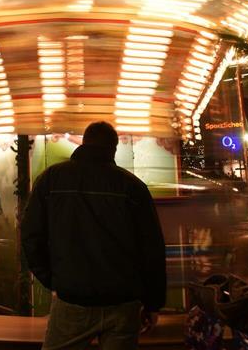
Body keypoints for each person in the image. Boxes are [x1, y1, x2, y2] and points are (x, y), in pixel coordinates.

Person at [21, 121, 166, 350]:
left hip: (73, 299)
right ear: (114, 149)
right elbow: (152, 250)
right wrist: (153, 303)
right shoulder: (133, 187)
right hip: (123, 301)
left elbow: (31, 235)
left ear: (83, 143)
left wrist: (53, 280)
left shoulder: (51, 179)